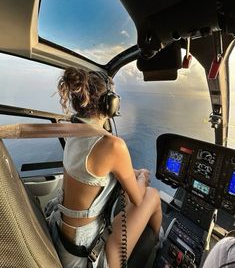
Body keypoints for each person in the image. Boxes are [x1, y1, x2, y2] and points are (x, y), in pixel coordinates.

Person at [47, 67, 162, 268]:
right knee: (152, 195)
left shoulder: (74, 131)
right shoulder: (113, 145)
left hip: (61, 232)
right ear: (111, 103)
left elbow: (96, 172)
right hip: (84, 253)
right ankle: (158, 248)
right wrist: (142, 176)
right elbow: (137, 198)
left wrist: (132, 174)